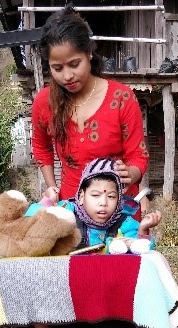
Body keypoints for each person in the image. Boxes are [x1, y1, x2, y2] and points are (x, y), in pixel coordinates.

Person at [24, 157, 162, 328]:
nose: (103, 204)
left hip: (104, 301)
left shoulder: (124, 224)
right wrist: (47, 201)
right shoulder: (64, 213)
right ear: (80, 196)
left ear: (119, 199)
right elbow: (30, 221)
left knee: (72, 312)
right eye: (95, 195)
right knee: (26, 297)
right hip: (63, 297)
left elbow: (141, 253)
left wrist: (142, 231)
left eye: (111, 197)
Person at [31, 5, 149, 220]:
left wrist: (130, 174)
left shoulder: (122, 98)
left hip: (120, 210)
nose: (67, 76)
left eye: (74, 64)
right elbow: (40, 147)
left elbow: (138, 155)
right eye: (57, 68)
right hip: (72, 210)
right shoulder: (44, 102)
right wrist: (51, 187)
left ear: (89, 53)